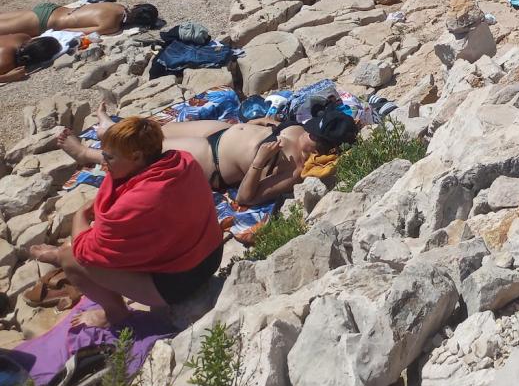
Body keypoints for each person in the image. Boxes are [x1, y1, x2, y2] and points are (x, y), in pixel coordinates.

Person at [28, 117, 223, 328]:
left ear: (137, 156)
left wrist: (80, 215)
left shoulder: (138, 200)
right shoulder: (182, 160)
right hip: (211, 255)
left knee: (71, 254)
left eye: (109, 157)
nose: (103, 163)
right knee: (94, 240)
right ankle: (58, 255)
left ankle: (115, 313)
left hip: (180, 283)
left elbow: (83, 251)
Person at [58, 102, 357, 206]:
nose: (306, 134)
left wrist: (257, 163)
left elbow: (246, 198)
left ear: (323, 149)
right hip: (220, 132)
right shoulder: (302, 130)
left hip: (210, 160)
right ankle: (112, 128)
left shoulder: (294, 171)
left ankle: (88, 154)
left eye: (313, 137)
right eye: (310, 128)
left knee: (145, 153)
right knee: (152, 129)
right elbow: (281, 125)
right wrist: (260, 123)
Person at [0, 1, 158, 37]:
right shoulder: (111, 26)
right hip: (45, 22)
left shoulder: (118, 6)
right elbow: (70, 30)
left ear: (137, 5)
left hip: (50, 9)